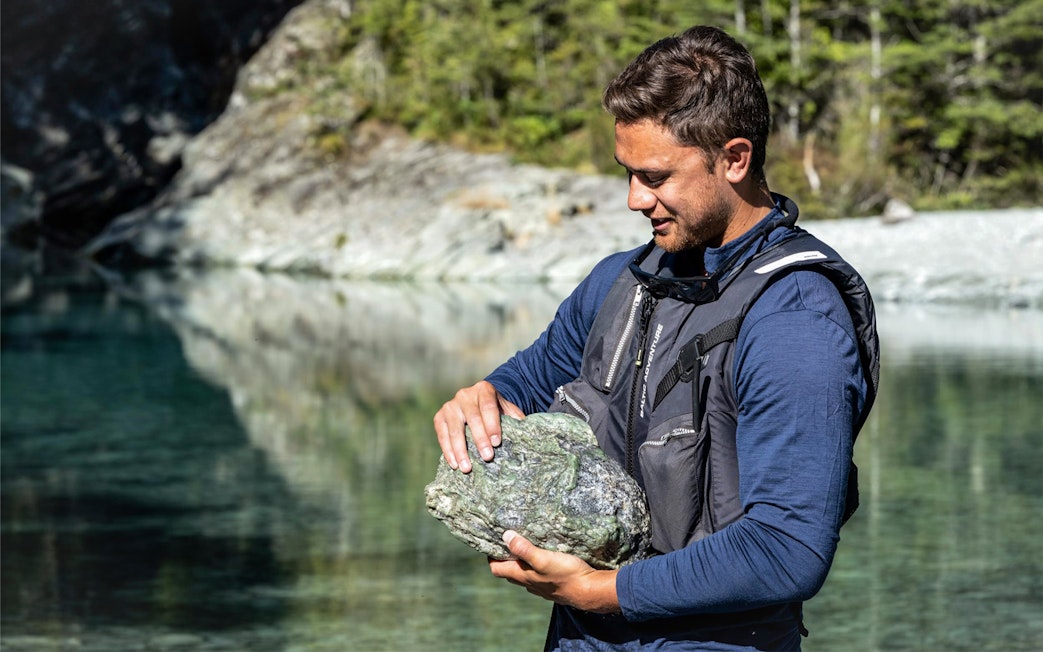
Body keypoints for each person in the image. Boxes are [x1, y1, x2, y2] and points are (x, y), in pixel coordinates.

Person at [433, 24, 879, 651]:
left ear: (735, 158)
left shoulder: (797, 320)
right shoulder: (621, 280)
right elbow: (531, 380)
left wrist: (604, 591)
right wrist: (480, 397)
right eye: (627, 172)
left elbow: (788, 550)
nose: (633, 198)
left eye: (656, 176)